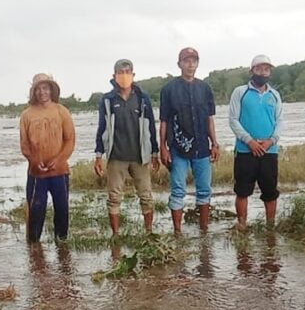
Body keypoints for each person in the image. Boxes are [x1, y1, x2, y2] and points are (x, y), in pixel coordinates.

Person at [93, 59, 160, 236]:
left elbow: (151, 126)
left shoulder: (143, 98)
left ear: (133, 75)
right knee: (114, 197)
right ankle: (116, 235)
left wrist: (155, 152)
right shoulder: (107, 100)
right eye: (120, 72)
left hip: (140, 155)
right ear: (114, 76)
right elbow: (102, 128)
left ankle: (149, 232)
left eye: (127, 72)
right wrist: (99, 155)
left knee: (146, 195)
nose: (124, 76)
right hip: (116, 155)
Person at [159, 47, 220, 234]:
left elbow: (210, 118)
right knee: (178, 190)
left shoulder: (205, 88)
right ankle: (177, 231)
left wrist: (215, 143)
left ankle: (204, 230)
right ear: (180, 64)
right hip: (178, 148)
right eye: (186, 60)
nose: (190, 64)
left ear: (197, 63)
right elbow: (164, 121)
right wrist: (163, 147)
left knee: (204, 190)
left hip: (202, 147)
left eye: (194, 60)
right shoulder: (169, 89)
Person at [19, 73, 76, 243]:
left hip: (60, 172)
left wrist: (58, 160)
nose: (42, 92)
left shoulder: (62, 111)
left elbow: (70, 140)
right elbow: (24, 145)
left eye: (45, 88)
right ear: (34, 92)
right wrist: (34, 161)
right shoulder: (26, 115)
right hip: (37, 174)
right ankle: (34, 249)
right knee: (36, 211)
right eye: (38, 89)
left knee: (62, 210)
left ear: (51, 90)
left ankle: (62, 246)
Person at [228, 54, 283, 228]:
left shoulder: (274, 95)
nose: (262, 72)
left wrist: (271, 141)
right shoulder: (240, 92)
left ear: (270, 72)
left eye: (266, 69)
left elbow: (279, 120)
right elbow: (233, 120)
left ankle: (270, 226)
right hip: (245, 151)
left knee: (270, 191)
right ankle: (242, 225)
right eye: (258, 69)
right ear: (252, 71)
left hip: (269, 151)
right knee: (243, 191)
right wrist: (249, 141)